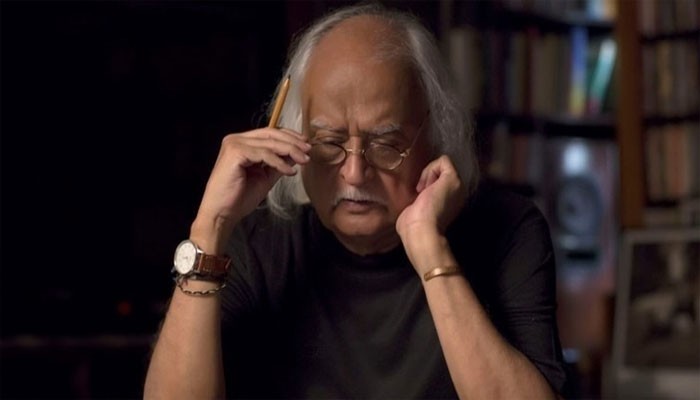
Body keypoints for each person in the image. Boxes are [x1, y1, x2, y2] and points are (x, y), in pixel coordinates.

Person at [144, 3, 567, 399]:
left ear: (436, 136)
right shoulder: (257, 245)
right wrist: (210, 228)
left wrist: (429, 248)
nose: (354, 173)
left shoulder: (509, 229)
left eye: (385, 144)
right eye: (329, 143)